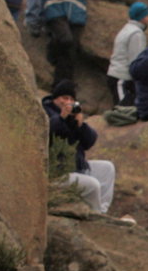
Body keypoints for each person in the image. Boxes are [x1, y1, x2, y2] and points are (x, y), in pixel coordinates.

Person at [43, 81, 115, 214]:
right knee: (92, 184)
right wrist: (62, 117)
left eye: (71, 99)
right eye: (64, 98)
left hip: (76, 167)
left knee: (107, 168)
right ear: (55, 99)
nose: (68, 102)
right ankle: (95, 213)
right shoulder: (44, 113)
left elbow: (90, 141)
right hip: (56, 173)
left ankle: (102, 211)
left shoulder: (72, 118)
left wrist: (81, 125)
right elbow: (48, 133)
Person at [106, 2, 148, 106]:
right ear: (141, 16)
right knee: (123, 110)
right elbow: (136, 61)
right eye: (147, 15)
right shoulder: (136, 34)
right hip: (122, 78)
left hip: (117, 75)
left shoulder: (126, 28)